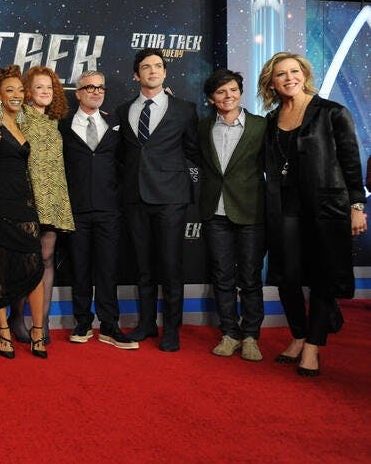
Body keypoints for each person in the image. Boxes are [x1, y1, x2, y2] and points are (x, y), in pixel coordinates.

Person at [258, 52, 365, 376]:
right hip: (285, 208)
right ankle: (299, 335)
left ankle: (313, 347)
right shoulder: (271, 120)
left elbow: (350, 162)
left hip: (326, 207)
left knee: (323, 276)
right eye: (281, 74)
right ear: (272, 83)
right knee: (286, 277)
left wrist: (357, 206)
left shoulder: (332, 112)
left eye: (294, 71)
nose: (289, 78)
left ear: (304, 74)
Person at [115, 48, 200, 352]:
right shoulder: (124, 111)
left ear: (165, 72)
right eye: (146, 67)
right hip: (135, 198)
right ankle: (147, 323)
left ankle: (172, 329)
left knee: (170, 266)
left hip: (171, 198)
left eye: (158, 66)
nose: (153, 71)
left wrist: (184, 185)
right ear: (136, 75)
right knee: (143, 267)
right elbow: (123, 157)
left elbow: (193, 152)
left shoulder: (185, 109)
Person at [59, 71, 138, 349]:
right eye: (89, 87)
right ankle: (82, 322)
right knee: (79, 269)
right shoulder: (63, 126)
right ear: (78, 92)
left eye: (100, 87)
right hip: (76, 210)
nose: (96, 91)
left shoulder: (115, 122)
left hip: (109, 210)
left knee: (107, 269)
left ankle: (109, 324)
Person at [0, 65, 47, 359]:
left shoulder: (22, 123)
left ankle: (38, 330)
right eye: (10, 90)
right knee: (1, 268)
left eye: (20, 90)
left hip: (24, 203)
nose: (16, 95)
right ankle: (3, 330)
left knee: (35, 266)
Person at [198, 69, 266, 361]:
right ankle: (230, 334)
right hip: (215, 212)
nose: (228, 97)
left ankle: (251, 336)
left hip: (250, 211)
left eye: (233, 90)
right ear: (212, 98)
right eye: (221, 92)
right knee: (222, 276)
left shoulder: (260, 126)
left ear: (241, 92)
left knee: (250, 277)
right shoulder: (202, 128)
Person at [13, 66, 74, 346]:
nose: (45, 92)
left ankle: (43, 319)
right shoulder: (19, 117)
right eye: (39, 87)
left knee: (47, 259)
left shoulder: (55, 121)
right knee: (28, 261)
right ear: (28, 91)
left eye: (49, 87)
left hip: (55, 201)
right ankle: (19, 318)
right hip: (28, 200)